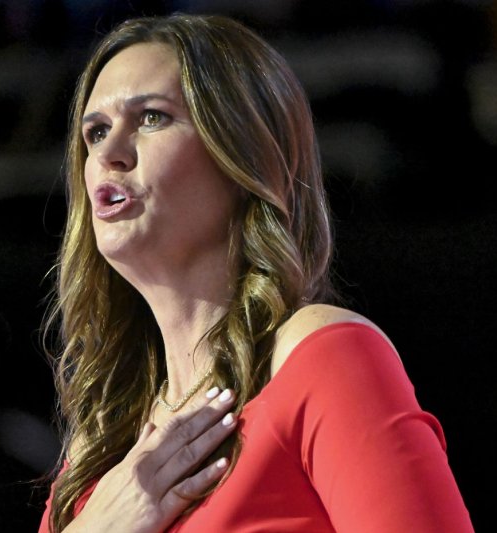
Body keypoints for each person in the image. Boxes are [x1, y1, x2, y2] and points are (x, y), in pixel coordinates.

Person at [38, 13, 473, 533]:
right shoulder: (102, 447)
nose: (108, 154)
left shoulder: (324, 358)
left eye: (152, 117)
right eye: (96, 131)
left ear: (242, 156)